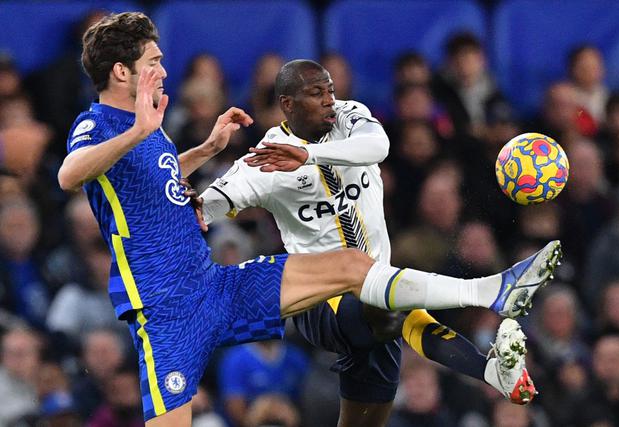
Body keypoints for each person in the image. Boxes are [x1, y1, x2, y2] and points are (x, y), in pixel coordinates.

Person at [57, 13, 559, 426]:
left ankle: (490, 293)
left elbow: (157, 185)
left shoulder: (347, 117)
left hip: (213, 284)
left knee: (353, 267)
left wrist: (202, 150)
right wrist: (145, 134)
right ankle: (491, 302)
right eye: (153, 61)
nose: (163, 70)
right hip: (167, 311)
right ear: (122, 72)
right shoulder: (101, 124)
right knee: (371, 301)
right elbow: (70, 175)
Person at [199, 59, 561, 426]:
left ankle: (491, 372)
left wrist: (309, 156)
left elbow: (379, 146)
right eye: (315, 93)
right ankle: (491, 290)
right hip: (321, 300)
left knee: (369, 406)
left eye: (330, 90)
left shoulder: (349, 116)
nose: (329, 100)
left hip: (381, 292)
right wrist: (197, 195)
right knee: (386, 304)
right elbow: (208, 207)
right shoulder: (265, 159)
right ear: (287, 104)